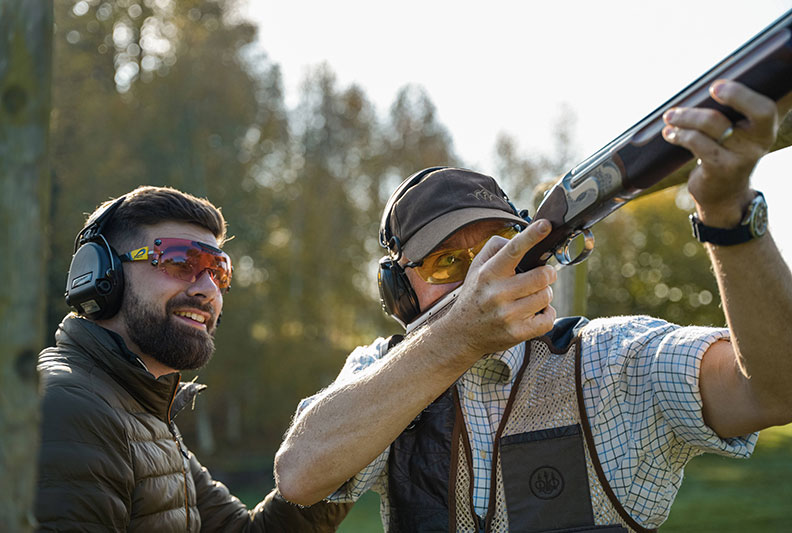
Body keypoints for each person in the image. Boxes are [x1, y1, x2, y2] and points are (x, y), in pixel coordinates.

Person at [274, 79, 792, 532]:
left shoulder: (613, 359)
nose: (481, 274)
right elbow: (299, 476)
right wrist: (458, 336)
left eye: (499, 246)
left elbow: (774, 391)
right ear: (401, 292)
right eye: (447, 262)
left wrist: (728, 214)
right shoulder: (380, 374)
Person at [36, 186, 351, 531]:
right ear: (102, 274)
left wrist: (360, 424)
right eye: (180, 261)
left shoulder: (143, 413)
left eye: (218, 271)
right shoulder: (69, 408)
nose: (209, 289)